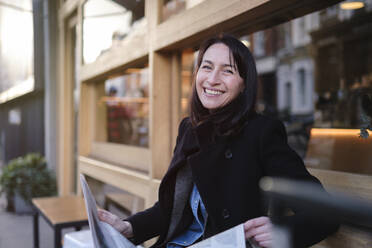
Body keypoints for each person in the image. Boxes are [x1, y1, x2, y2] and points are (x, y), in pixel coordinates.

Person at [98, 34, 338, 248]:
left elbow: (324, 213)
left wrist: (282, 231)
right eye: (207, 67)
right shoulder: (189, 129)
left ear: (245, 84)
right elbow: (173, 210)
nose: (212, 79)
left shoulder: (261, 132)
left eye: (228, 70)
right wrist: (129, 228)